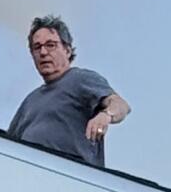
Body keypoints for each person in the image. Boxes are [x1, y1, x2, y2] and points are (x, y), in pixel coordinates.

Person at [7, 16, 130, 169]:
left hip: (72, 176)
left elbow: (121, 105)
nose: (43, 52)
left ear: (67, 50)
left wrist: (106, 115)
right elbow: (8, 146)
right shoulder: (29, 101)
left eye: (50, 45)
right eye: (37, 47)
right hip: (29, 177)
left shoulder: (79, 79)